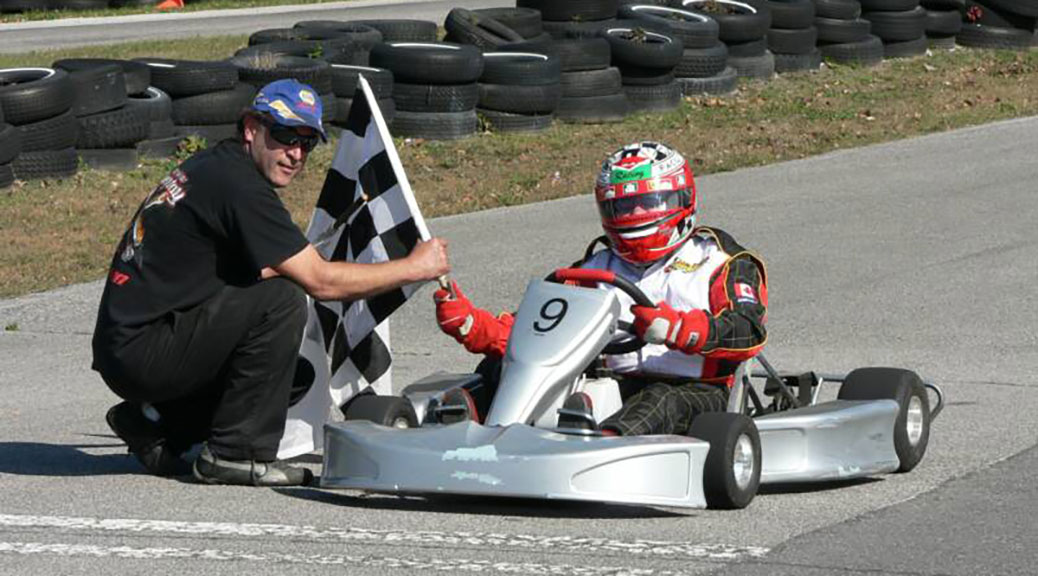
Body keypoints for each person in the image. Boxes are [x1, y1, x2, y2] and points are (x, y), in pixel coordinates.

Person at [92, 79, 450, 486]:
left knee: (289, 375)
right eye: (285, 136)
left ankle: (156, 422)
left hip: (130, 342)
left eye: (307, 143)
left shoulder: (218, 166)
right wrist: (414, 267)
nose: (295, 153)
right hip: (142, 350)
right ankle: (234, 454)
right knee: (283, 299)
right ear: (251, 128)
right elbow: (321, 282)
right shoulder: (239, 187)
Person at [433, 141, 766, 436]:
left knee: (660, 399)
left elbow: (748, 331)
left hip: (696, 389)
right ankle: (465, 420)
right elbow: (535, 332)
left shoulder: (721, 263)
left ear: (680, 198)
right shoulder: (591, 270)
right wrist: (475, 326)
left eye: (647, 202)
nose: (635, 214)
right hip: (608, 382)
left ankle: (601, 443)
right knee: (502, 367)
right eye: (624, 206)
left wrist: (680, 329)